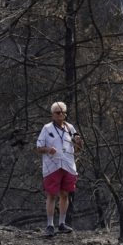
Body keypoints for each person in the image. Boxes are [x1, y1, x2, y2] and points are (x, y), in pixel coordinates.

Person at [36, 101, 83, 237]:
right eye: (57, 112)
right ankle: (50, 225)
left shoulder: (70, 128)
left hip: (68, 165)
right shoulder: (47, 128)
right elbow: (38, 148)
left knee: (64, 194)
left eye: (62, 112)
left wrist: (79, 142)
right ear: (52, 114)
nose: (60, 114)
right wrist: (48, 149)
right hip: (53, 166)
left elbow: (79, 149)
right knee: (51, 195)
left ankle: (62, 223)